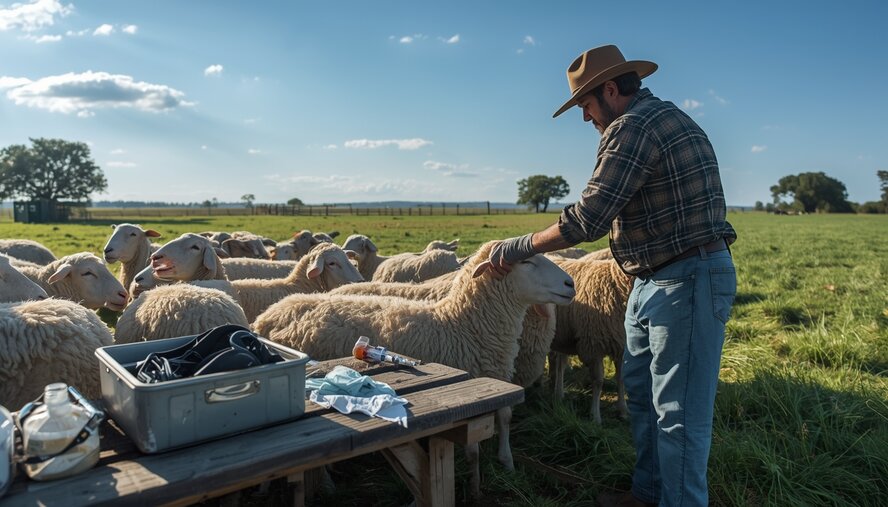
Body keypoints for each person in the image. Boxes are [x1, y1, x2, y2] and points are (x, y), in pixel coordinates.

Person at [486, 45, 737, 507]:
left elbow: (588, 220)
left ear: (608, 90)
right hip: (651, 278)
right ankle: (648, 494)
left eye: (585, 105)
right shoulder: (660, 118)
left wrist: (518, 246)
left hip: (686, 278)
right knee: (641, 396)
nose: (586, 117)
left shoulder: (633, 127)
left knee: (678, 414)